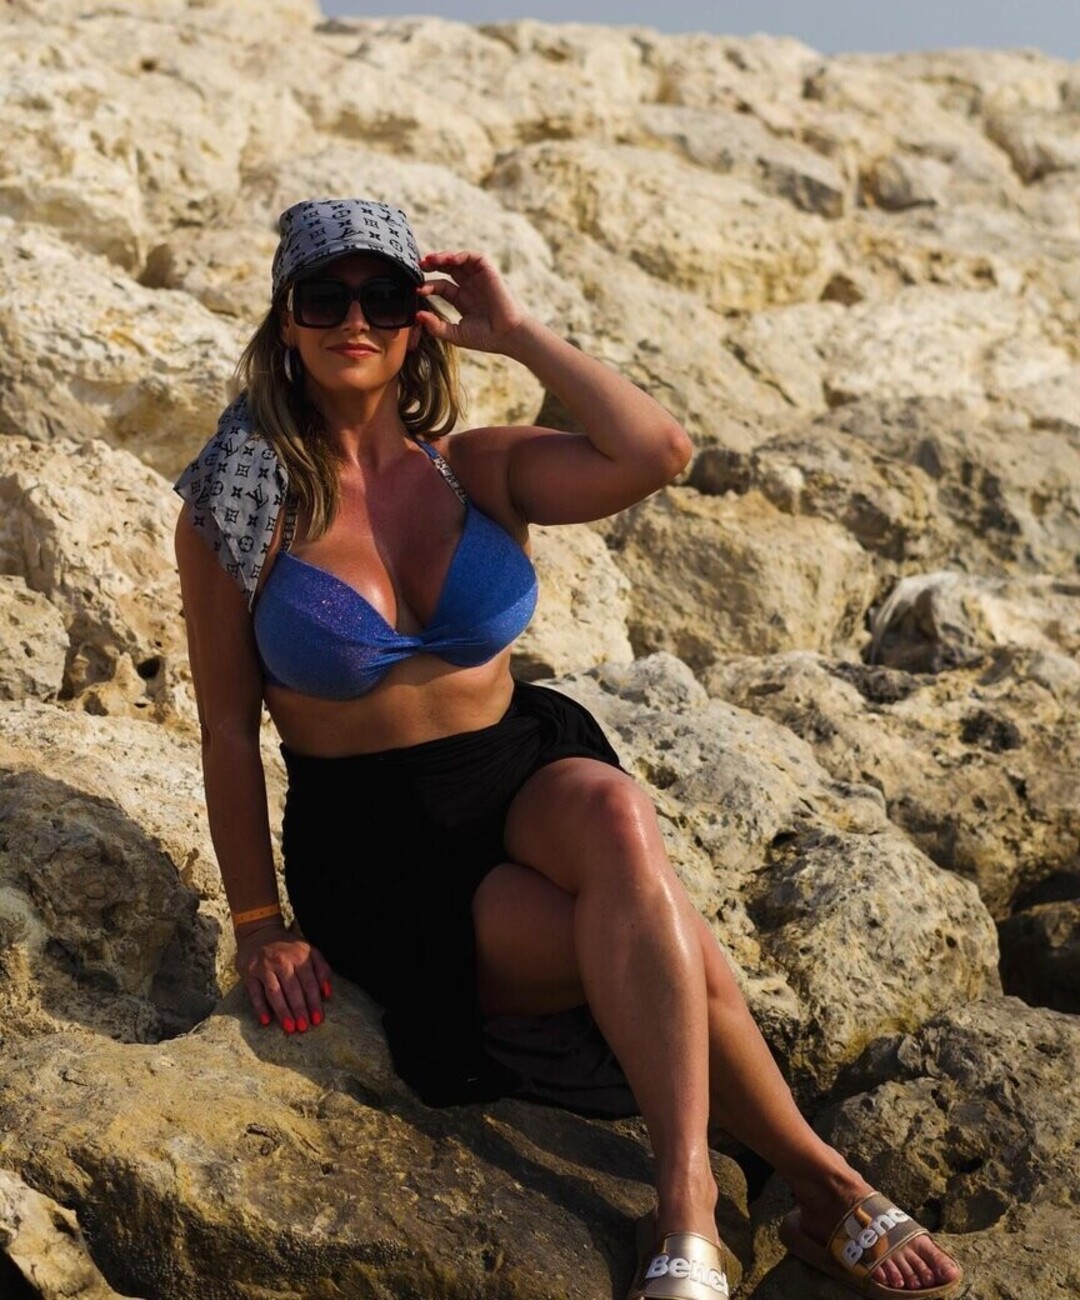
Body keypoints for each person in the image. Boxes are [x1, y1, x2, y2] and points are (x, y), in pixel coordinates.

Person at [173, 197, 965, 1300]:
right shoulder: (240, 502)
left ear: (419, 321)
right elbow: (225, 728)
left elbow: (658, 452)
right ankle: (824, 1187)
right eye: (325, 296)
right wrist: (261, 924)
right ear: (286, 320)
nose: (355, 319)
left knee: (617, 814)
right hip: (377, 846)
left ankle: (687, 1205)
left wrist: (520, 335)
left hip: (518, 772)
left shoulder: (475, 468)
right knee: (658, 941)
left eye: (385, 296)